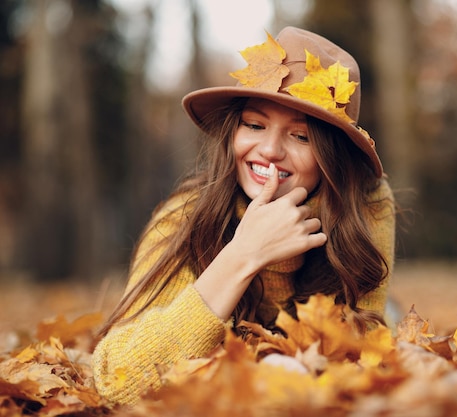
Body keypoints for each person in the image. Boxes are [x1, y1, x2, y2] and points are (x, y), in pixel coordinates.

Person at [92, 26, 395, 405]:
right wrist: (242, 255)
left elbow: (368, 353)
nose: (269, 150)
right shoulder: (181, 220)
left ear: (331, 158)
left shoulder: (367, 204)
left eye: (301, 136)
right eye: (254, 125)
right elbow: (114, 379)